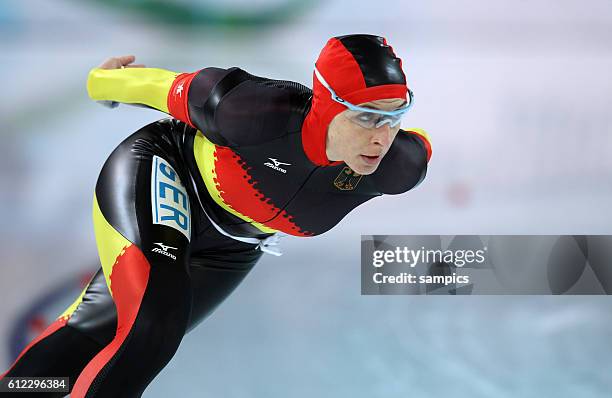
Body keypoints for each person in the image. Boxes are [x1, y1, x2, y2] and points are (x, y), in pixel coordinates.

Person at [0, 34, 432, 397]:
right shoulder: (254, 111)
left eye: (396, 116)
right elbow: (160, 88)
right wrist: (103, 82)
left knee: (96, 331)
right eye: (367, 117)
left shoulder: (398, 165)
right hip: (168, 170)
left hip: (235, 242)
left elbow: (421, 146)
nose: (382, 136)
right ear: (325, 105)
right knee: (156, 324)